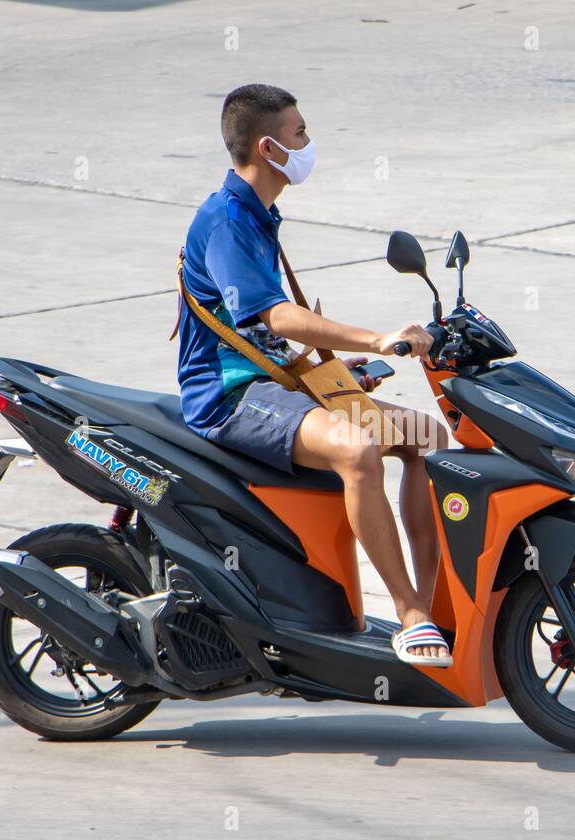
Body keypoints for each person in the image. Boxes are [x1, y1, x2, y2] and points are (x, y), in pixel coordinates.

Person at [176, 84, 452, 666]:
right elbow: (276, 315)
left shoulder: (256, 212)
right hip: (231, 397)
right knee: (357, 451)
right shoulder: (228, 221)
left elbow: (256, 327)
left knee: (426, 436)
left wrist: (328, 372)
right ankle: (410, 613)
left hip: (273, 382)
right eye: (300, 133)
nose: (310, 143)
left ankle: (434, 605)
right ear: (269, 148)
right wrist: (377, 338)